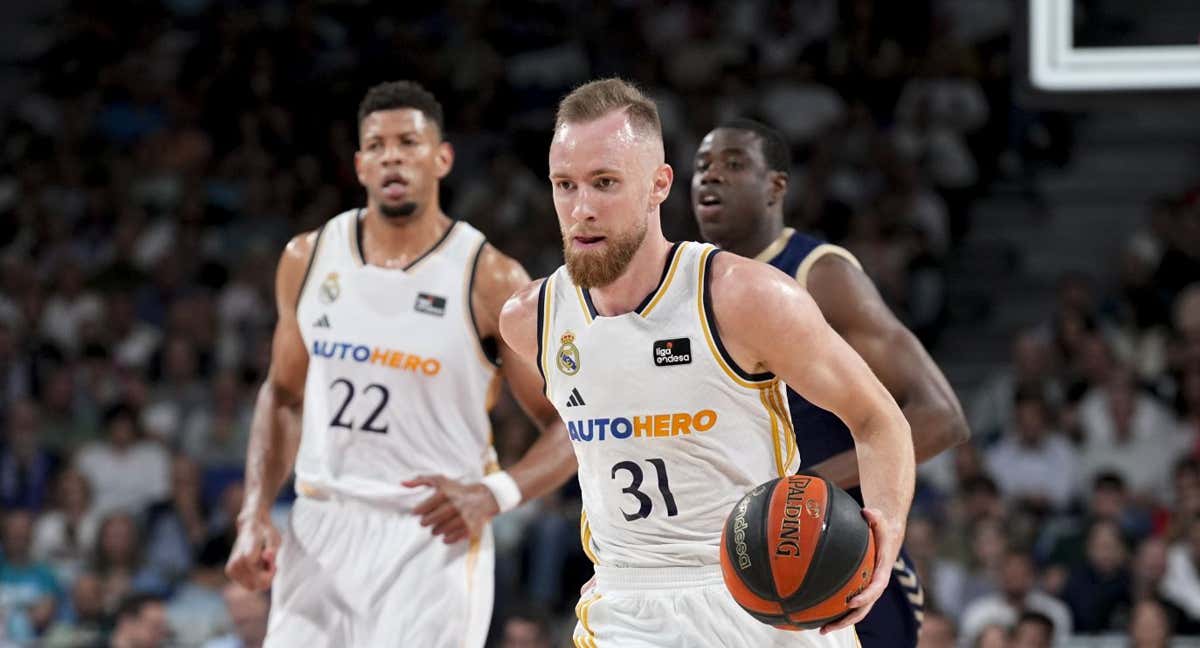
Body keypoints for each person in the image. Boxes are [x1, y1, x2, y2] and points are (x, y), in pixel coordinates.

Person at [500, 78, 914, 647]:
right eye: (564, 185)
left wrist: (886, 528)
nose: (582, 208)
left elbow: (877, 418)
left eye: (605, 183)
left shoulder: (748, 298)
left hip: (763, 594)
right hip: (627, 603)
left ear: (658, 185)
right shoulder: (530, 319)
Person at [224, 80, 577, 648]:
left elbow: (571, 426)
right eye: (378, 145)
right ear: (361, 165)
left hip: (429, 535)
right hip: (321, 524)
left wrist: (497, 494)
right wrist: (254, 512)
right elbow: (283, 395)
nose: (393, 155)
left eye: (409, 142)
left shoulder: (489, 277)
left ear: (442, 158)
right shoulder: (307, 258)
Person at [691, 118, 969, 647]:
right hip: (740, 552)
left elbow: (940, 417)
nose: (711, 177)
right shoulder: (689, 281)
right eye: (702, 166)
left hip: (834, 545)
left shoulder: (820, 273)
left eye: (733, 164)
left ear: (775, 186)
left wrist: (805, 487)